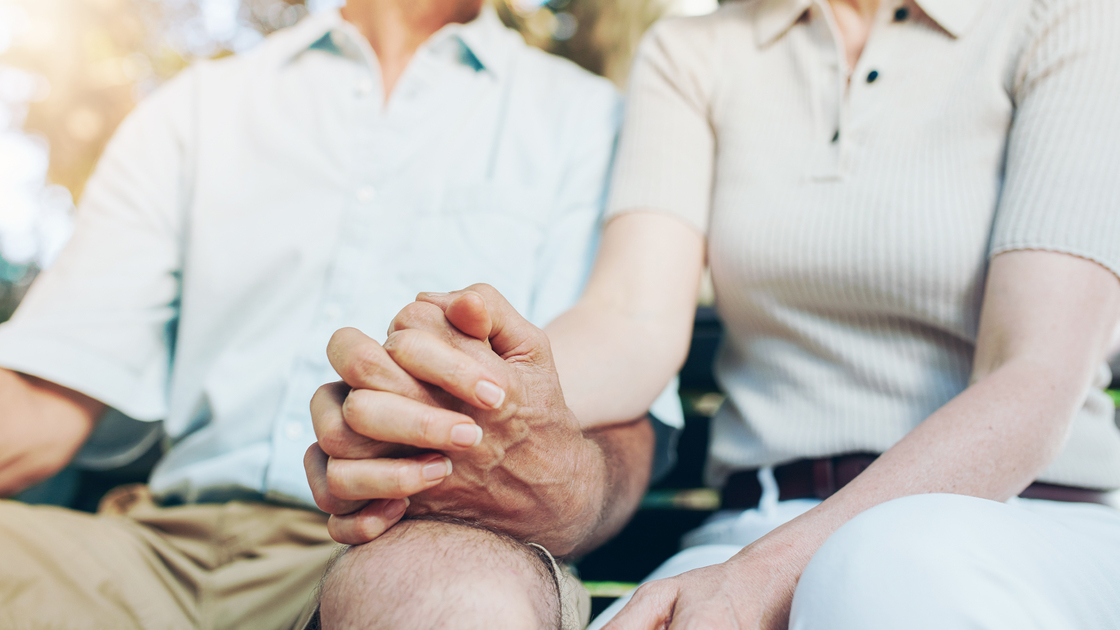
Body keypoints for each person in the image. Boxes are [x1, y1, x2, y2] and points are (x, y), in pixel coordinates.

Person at [308, 0, 1120, 627]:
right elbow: (630, 319)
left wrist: (769, 575)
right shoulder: (696, 51)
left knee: (883, 568)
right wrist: (445, 408)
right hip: (759, 522)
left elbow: (1035, 373)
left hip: (1028, 522)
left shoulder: (1066, 20)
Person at [0, 1, 683, 628]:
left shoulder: (592, 121)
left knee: (449, 595)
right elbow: (42, 406)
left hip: (407, 544)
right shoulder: (197, 110)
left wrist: (561, 493)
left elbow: (626, 425)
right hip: (149, 554)